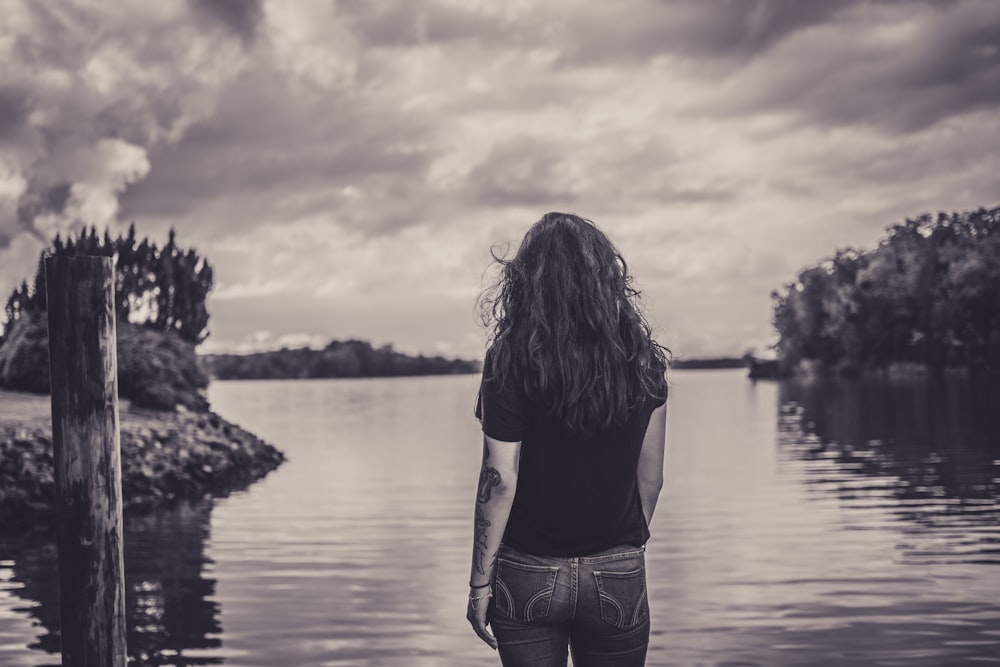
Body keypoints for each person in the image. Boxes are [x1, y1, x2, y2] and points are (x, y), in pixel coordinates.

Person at [466, 212, 669, 666]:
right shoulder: (641, 358)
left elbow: (499, 479)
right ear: (605, 277)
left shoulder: (509, 358)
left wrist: (480, 583)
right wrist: (620, 551)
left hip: (526, 569)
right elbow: (651, 481)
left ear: (526, 281)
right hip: (617, 566)